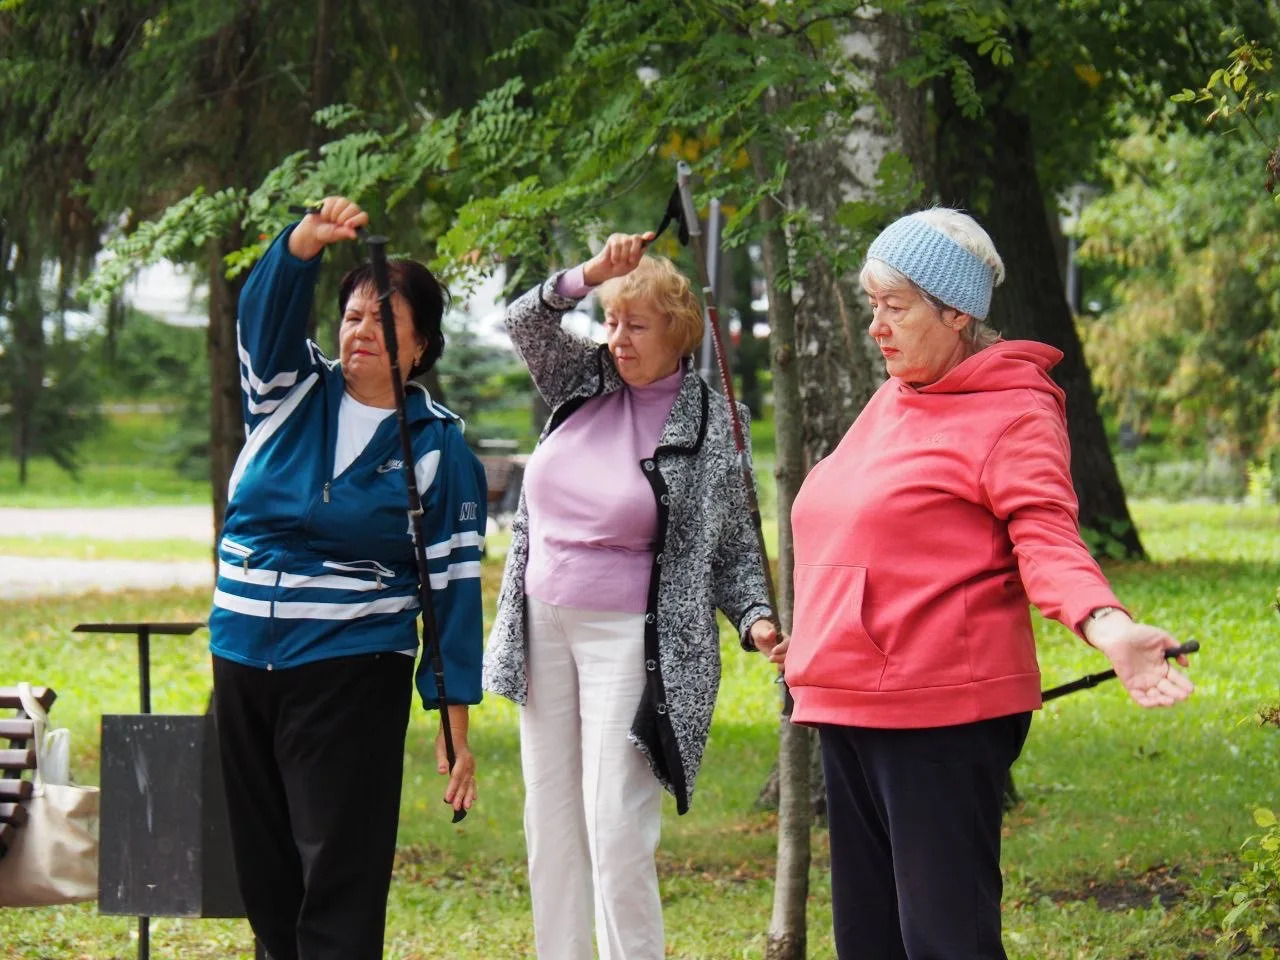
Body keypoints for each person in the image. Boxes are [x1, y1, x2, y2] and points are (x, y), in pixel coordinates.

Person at [772, 207, 1194, 960]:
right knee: (867, 944)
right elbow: (861, 535)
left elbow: (1048, 539)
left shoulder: (1015, 413)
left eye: (894, 307)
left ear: (956, 311)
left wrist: (1107, 624)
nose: (877, 327)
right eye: (873, 306)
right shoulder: (892, 400)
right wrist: (825, 632)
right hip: (847, 704)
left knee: (944, 943)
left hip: (938, 715)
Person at [483, 232, 777, 960]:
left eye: (635, 325)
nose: (617, 339)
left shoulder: (711, 422)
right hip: (543, 623)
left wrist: (758, 619)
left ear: (676, 335)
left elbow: (734, 544)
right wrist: (592, 275)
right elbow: (524, 318)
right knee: (549, 824)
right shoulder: (582, 381)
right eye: (612, 322)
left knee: (615, 828)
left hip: (634, 637)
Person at [208, 196, 486, 960]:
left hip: (349, 669)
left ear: (420, 346)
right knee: (263, 873)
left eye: (383, 322)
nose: (361, 333)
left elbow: (454, 590)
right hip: (241, 659)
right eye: (353, 316)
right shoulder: (286, 393)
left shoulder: (437, 450)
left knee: (337, 871)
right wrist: (302, 243)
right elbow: (262, 319)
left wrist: (452, 720)